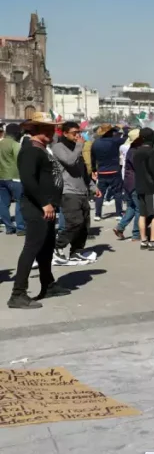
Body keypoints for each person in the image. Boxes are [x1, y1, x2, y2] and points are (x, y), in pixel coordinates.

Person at [9, 113, 70, 309]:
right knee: (32, 248)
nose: (52, 131)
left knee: (46, 247)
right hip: (38, 207)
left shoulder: (42, 149)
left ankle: (48, 284)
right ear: (35, 130)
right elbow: (28, 180)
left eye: (52, 128)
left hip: (48, 207)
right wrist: (44, 203)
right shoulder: (31, 151)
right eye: (47, 128)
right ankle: (18, 293)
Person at [50, 121, 100, 265]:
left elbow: (83, 172)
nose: (78, 136)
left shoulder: (76, 149)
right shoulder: (59, 147)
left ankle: (76, 252)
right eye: (74, 133)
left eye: (79, 132)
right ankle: (57, 248)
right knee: (74, 223)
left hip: (82, 191)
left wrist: (92, 187)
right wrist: (79, 146)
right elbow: (70, 162)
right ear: (65, 133)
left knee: (84, 224)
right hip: (68, 191)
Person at [133, 127, 154, 251]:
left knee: (143, 214)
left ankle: (144, 240)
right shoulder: (151, 152)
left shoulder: (136, 151)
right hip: (151, 187)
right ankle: (153, 241)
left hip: (139, 186)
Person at [90, 124, 127, 220]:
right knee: (117, 193)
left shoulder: (95, 143)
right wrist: (124, 129)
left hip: (101, 171)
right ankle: (119, 214)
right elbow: (127, 138)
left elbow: (92, 158)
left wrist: (94, 170)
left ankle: (98, 214)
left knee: (100, 193)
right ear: (110, 132)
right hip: (114, 170)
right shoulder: (114, 141)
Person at [113, 129, 142, 241]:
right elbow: (138, 168)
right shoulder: (134, 151)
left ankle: (120, 227)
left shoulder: (129, 149)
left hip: (128, 181)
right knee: (139, 209)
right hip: (134, 183)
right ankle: (136, 234)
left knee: (132, 207)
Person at [0, 122, 25, 235]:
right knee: (20, 201)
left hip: (1, 177)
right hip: (15, 178)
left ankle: (9, 227)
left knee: (3, 203)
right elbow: (20, 161)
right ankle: (20, 228)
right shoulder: (15, 144)